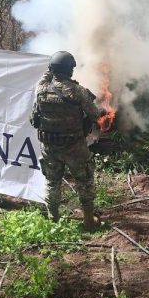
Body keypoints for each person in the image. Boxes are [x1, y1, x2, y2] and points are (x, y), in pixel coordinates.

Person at [31, 51, 101, 230]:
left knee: (52, 181)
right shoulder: (78, 91)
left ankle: (53, 221)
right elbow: (95, 114)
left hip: (49, 146)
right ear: (70, 70)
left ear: (52, 69)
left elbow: (34, 118)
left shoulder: (41, 88)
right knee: (84, 181)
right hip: (74, 146)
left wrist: (50, 68)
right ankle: (88, 221)